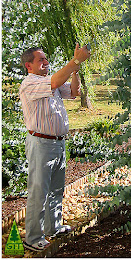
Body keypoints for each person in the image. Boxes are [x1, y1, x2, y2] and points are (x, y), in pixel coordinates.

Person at [19, 43, 91, 251]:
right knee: (39, 191)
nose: (46, 62)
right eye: (40, 60)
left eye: (45, 58)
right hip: (41, 144)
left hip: (57, 143)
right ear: (29, 66)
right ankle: (33, 238)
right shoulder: (31, 83)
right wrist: (75, 60)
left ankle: (54, 227)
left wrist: (75, 71)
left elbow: (74, 92)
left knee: (56, 189)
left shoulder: (50, 83)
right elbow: (57, 80)